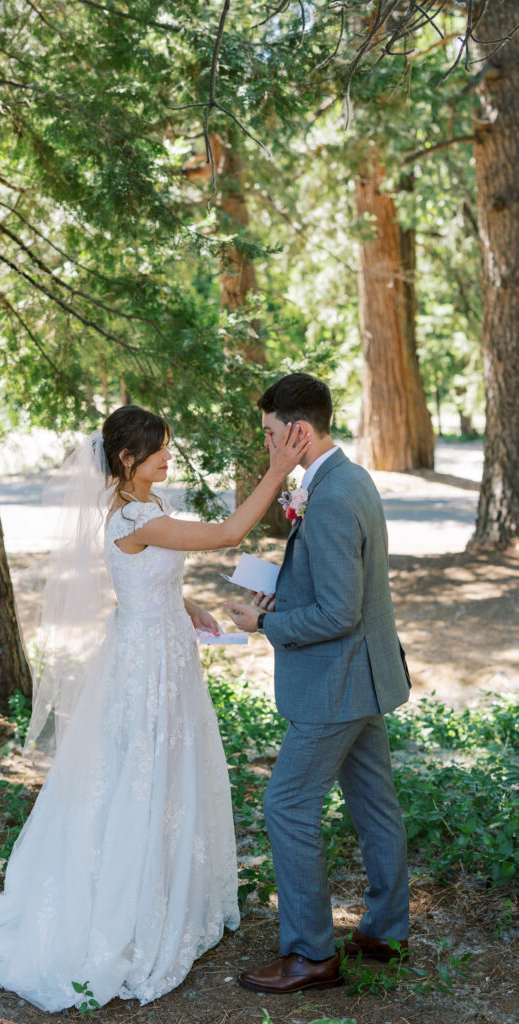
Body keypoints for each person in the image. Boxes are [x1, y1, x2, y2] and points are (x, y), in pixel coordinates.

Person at [0, 404, 310, 1012]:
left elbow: (150, 571)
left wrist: (184, 602)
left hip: (167, 651)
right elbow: (225, 535)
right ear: (126, 460)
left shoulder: (149, 508)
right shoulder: (133, 515)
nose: (170, 457)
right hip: (144, 668)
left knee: (166, 773)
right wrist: (276, 471)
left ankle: (166, 891)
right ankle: (131, 905)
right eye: (160, 449)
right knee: (141, 774)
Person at [226, 373, 410, 995]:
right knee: (374, 804)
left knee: (286, 805)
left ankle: (311, 954)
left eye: (273, 435)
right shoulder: (347, 478)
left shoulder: (328, 497)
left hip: (336, 684)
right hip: (365, 677)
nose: (270, 446)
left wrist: (265, 621)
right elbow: (340, 584)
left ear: (300, 431)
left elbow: (339, 612)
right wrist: (282, 585)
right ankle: (385, 931)